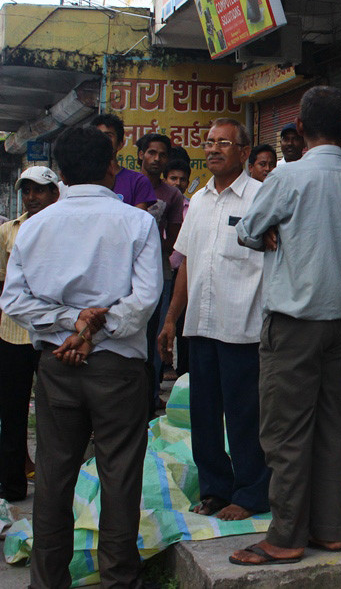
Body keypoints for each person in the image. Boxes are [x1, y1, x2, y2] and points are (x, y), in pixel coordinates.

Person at [0, 126, 161, 588]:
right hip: (119, 368)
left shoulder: (35, 226)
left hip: (57, 364)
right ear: (112, 165)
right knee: (120, 477)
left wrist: (72, 325)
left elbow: (14, 301)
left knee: (53, 477)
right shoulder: (137, 222)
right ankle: (119, 580)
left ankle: (47, 581)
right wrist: (90, 326)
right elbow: (146, 298)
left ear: (63, 173)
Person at [231, 85, 341, 565]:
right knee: (332, 426)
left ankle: (286, 536)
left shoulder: (289, 177)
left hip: (295, 322)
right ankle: (331, 529)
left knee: (286, 431)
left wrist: (267, 230)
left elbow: (248, 229)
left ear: (302, 130)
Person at [157, 118, 270, 522]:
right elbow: (186, 262)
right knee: (203, 416)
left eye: (225, 142)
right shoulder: (199, 200)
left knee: (245, 417)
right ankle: (215, 490)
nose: (215, 148)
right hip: (199, 328)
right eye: (209, 142)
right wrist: (171, 319)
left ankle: (252, 492)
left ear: (243, 151)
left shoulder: (261, 197)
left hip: (242, 327)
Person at [0, 167, 61, 504]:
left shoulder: (64, 228)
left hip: (52, 333)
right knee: (12, 413)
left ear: (54, 193)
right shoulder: (9, 231)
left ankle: (54, 486)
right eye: (27, 191)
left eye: (39, 191)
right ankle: (12, 484)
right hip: (13, 334)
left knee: (55, 414)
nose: (32, 197)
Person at [137, 133, 186, 411]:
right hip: (124, 274)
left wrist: (154, 253)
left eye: (162, 154)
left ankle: (151, 395)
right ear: (141, 154)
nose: (156, 158)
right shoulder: (127, 183)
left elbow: (175, 237)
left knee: (155, 335)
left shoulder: (172, 195)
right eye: (151, 152)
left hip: (159, 274)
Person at [91, 113, 157, 210]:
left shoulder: (137, 181)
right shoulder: (81, 180)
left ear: (120, 144)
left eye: (108, 136)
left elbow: (139, 221)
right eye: (98, 135)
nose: (102, 140)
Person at [164, 158, 191, 377]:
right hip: (164, 272)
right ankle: (163, 366)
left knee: (183, 325)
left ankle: (182, 372)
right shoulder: (158, 204)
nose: (178, 183)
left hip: (184, 272)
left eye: (182, 179)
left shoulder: (192, 206)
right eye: (173, 178)